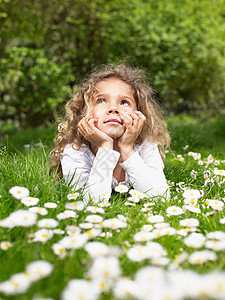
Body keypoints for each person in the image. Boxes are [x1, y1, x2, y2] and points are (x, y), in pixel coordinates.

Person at [49, 64, 171, 203]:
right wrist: (105, 147)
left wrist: (127, 149)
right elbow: (92, 203)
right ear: (84, 112)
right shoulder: (76, 149)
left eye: (124, 102)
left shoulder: (145, 144)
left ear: (139, 113)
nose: (113, 108)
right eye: (101, 101)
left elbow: (161, 198)